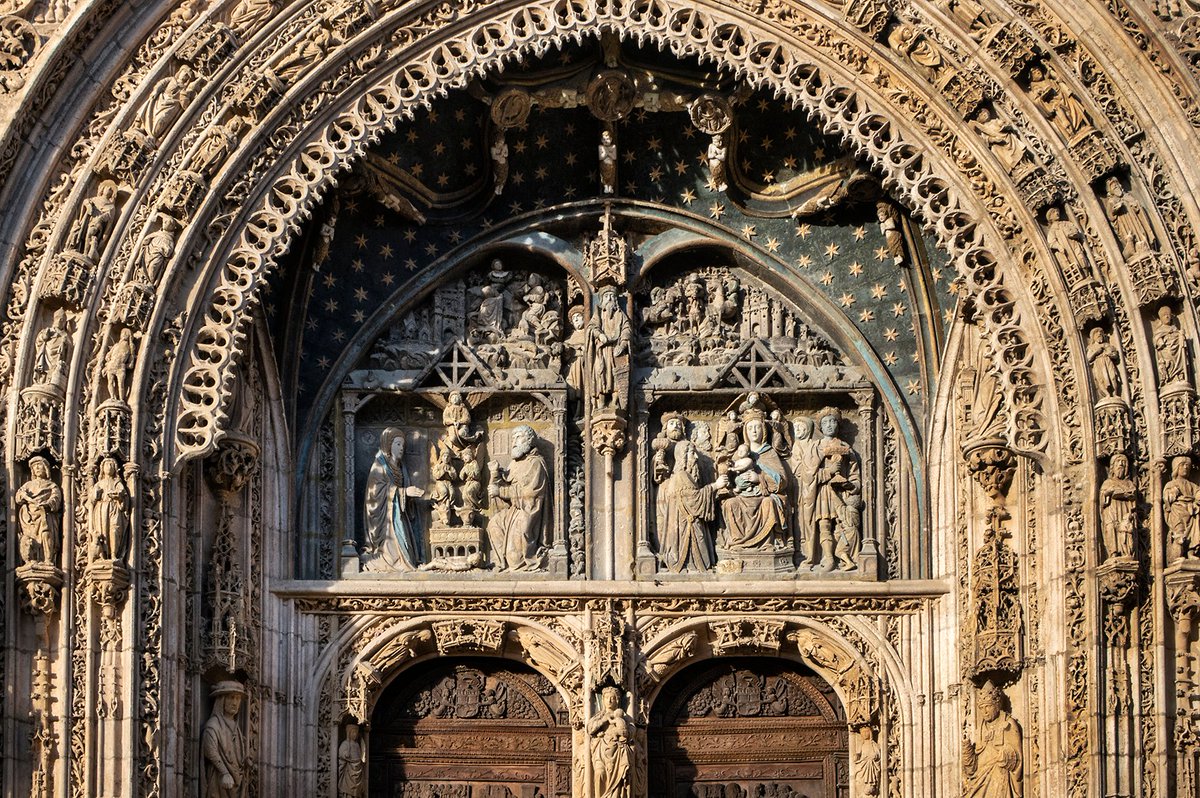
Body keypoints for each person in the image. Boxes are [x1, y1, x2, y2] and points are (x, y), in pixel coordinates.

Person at [718, 402, 789, 551]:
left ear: (763, 430)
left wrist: (759, 479)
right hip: (743, 496)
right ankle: (737, 542)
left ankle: (767, 543)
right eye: (750, 428)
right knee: (730, 504)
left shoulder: (769, 453)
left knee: (768, 503)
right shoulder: (739, 453)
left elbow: (783, 481)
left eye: (757, 427)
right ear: (745, 431)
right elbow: (729, 476)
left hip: (763, 496)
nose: (754, 431)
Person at [656, 440, 727, 572]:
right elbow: (692, 500)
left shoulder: (688, 477)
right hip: (685, 527)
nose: (696, 458)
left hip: (691, 523)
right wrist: (715, 486)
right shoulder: (681, 476)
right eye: (692, 453)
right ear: (683, 456)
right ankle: (688, 565)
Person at [486, 425, 549, 571]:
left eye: (518, 437)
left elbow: (530, 495)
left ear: (529, 440)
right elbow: (506, 484)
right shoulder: (514, 464)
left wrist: (501, 491)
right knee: (494, 523)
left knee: (515, 554)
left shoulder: (536, 463)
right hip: (514, 509)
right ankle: (501, 562)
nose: (514, 441)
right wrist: (495, 474)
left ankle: (520, 563)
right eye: (513, 438)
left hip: (529, 510)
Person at [363, 428, 425, 571]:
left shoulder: (401, 467)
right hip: (386, 519)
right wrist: (403, 492)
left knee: (407, 550)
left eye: (403, 445)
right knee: (397, 555)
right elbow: (375, 494)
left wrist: (410, 495)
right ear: (388, 445)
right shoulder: (379, 466)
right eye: (397, 444)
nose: (401, 448)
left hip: (398, 513)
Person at [963, 681, 1022, 798]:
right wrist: (967, 749)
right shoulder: (979, 729)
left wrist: (1006, 755)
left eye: (988, 706)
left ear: (997, 705)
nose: (985, 711)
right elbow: (972, 769)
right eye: (982, 708)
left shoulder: (1008, 724)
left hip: (1000, 779)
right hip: (980, 781)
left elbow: (1017, 759)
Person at [586, 287, 629, 409]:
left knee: (617, 376)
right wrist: (599, 334)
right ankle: (601, 404)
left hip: (616, 350)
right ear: (602, 300)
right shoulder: (599, 313)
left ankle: (615, 402)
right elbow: (591, 327)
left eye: (612, 296)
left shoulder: (620, 315)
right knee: (601, 375)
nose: (609, 299)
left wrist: (622, 344)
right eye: (606, 296)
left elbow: (626, 329)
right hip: (602, 351)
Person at [203, 681, 247, 798]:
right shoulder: (214, 724)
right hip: (220, 779)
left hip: (238, 779)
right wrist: (225, 772)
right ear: (221, 700)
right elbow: (210, 750)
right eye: (231, 698)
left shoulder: (236, 726)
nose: (235, 703)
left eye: (238, 699)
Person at [588, 686, 634, 798]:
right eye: (607, 698)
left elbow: (632, 731)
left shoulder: (625, 717)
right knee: (599, 773)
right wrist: (604, 720)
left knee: (619, 778)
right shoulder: (598, 716)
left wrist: (623, 731)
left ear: (617, 700)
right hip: (601, 752)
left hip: (618, 751)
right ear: (602, 700)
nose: (609, 701)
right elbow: (590, 729)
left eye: (612, 698)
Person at [15, 456, 61, 566]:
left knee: (46, 535)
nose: (37, 468)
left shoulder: (51, 485)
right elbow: (18, 496)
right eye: (34, 467)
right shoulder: (28, 485)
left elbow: (56, 498)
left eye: (39, 465)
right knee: (29, 539)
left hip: (45, 515)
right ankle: (31, 559)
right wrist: (23, 496)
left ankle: (48, 560)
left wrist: (47, 504)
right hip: (29, 518)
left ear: (46, 468)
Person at [89, 456, 131, 563]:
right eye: (106, 465)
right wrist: (96, 494)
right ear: (102, 468)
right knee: (102, 532)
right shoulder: (99, 483)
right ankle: (102, 555)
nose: (109, 467)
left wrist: (118, 496)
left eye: (111, 465)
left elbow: (123, 495)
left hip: (114, 508)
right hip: (101, 509)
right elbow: (92, 500)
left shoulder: (117, 482)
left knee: (114, 530)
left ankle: (113, 554)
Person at [1099, 454, 1136, 560]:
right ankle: (1113, 553)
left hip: (1125, 511)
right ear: (1112, 467)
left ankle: (1126, 553)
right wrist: (1108, 493)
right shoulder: (1108, 482)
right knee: (1111, 528)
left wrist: (1120, 493)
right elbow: (1103, 499)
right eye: (1118, 462)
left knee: (1126, 531)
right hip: (1111, 511)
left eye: (1124, 463)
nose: (1121, 465)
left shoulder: (1129, 483)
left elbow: (1133, 494)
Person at [1164, 455, 1200, 561]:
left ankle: (1190, 552)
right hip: (1177, 511)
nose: (1186, 467)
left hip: (1191, 511)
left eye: (1188, 465)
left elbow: (1198, 494)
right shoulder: (1171, 484)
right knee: (1179, 532)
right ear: (1176, 467)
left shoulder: (1193, 485)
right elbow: (1167, 498)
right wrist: (1172, 493)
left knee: (1194, 532)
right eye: (1183, 465)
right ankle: (1177, 556)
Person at [337, 724, 366, 798]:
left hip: (357, 768)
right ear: (349, 733)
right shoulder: (345, 743)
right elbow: (341, 754)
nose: (355, 735)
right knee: (348, 789)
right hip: (349, 770)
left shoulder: (357, 745)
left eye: (356, 733)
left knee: (357, 790)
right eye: (353, 732)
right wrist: (345, 755)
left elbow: (360, 755)